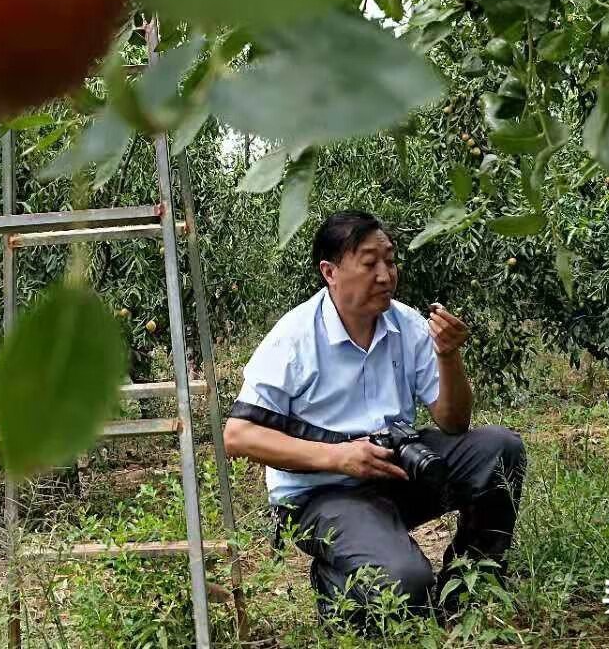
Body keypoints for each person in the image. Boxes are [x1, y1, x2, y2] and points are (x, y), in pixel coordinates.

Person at [223, 210, 525, 624]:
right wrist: (339, 458)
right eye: (369, 263)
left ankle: (471, 582)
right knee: (406, 583)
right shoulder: (294, 338)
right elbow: (238, 435)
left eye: (390, 260)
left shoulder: (407, 325)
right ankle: (335, 581)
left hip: (394, 473)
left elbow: (453, 422)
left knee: (499, 449)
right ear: (330, 272)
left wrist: (449, 356)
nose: (385, 275)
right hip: (322, 495)